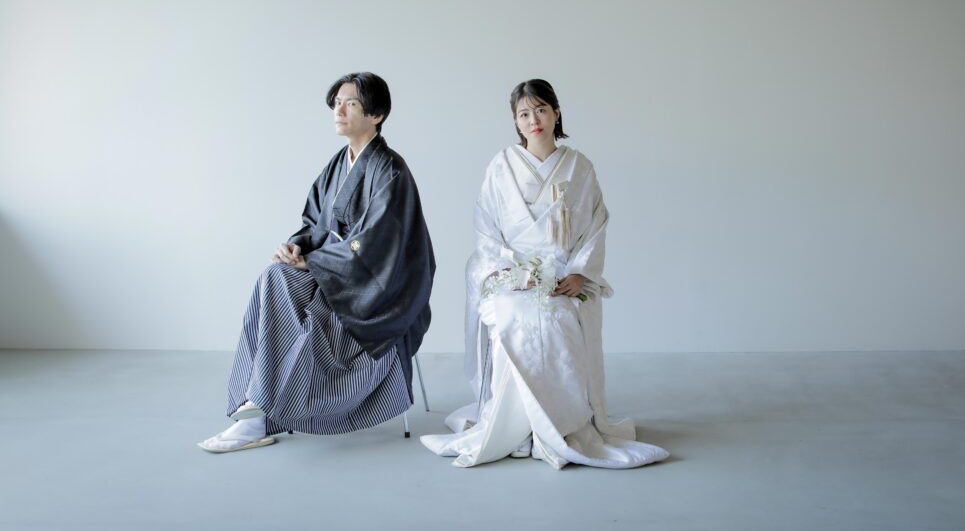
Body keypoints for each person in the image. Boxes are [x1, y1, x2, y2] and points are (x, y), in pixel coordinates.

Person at [420, 79, 668, 469]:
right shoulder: (501, 166)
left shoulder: (579, 167)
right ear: (515, 122)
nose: (533, 120)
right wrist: (516, 273)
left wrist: (580, 274)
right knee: (511, 316)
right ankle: (514, 427)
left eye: (540, 110)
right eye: (523, 114)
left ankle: (558, 424)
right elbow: (486, 229)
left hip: (562, 276)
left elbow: (596, 225)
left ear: (556, 113)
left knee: (559, 321)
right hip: (513, 275)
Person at [199, 72, 434, 453]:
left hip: (377, 289)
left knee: (295, 294)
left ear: (376, 114)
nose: (339, 111)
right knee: (275, 276)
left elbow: (378, 244)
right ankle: (256, 403)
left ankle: (259, 413)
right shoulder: (338, 164)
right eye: (336, 103)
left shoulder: (390, 170)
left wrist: (316, 262)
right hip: (336, 273)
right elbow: (314, 222)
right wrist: (296, 248)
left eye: (351, 103)